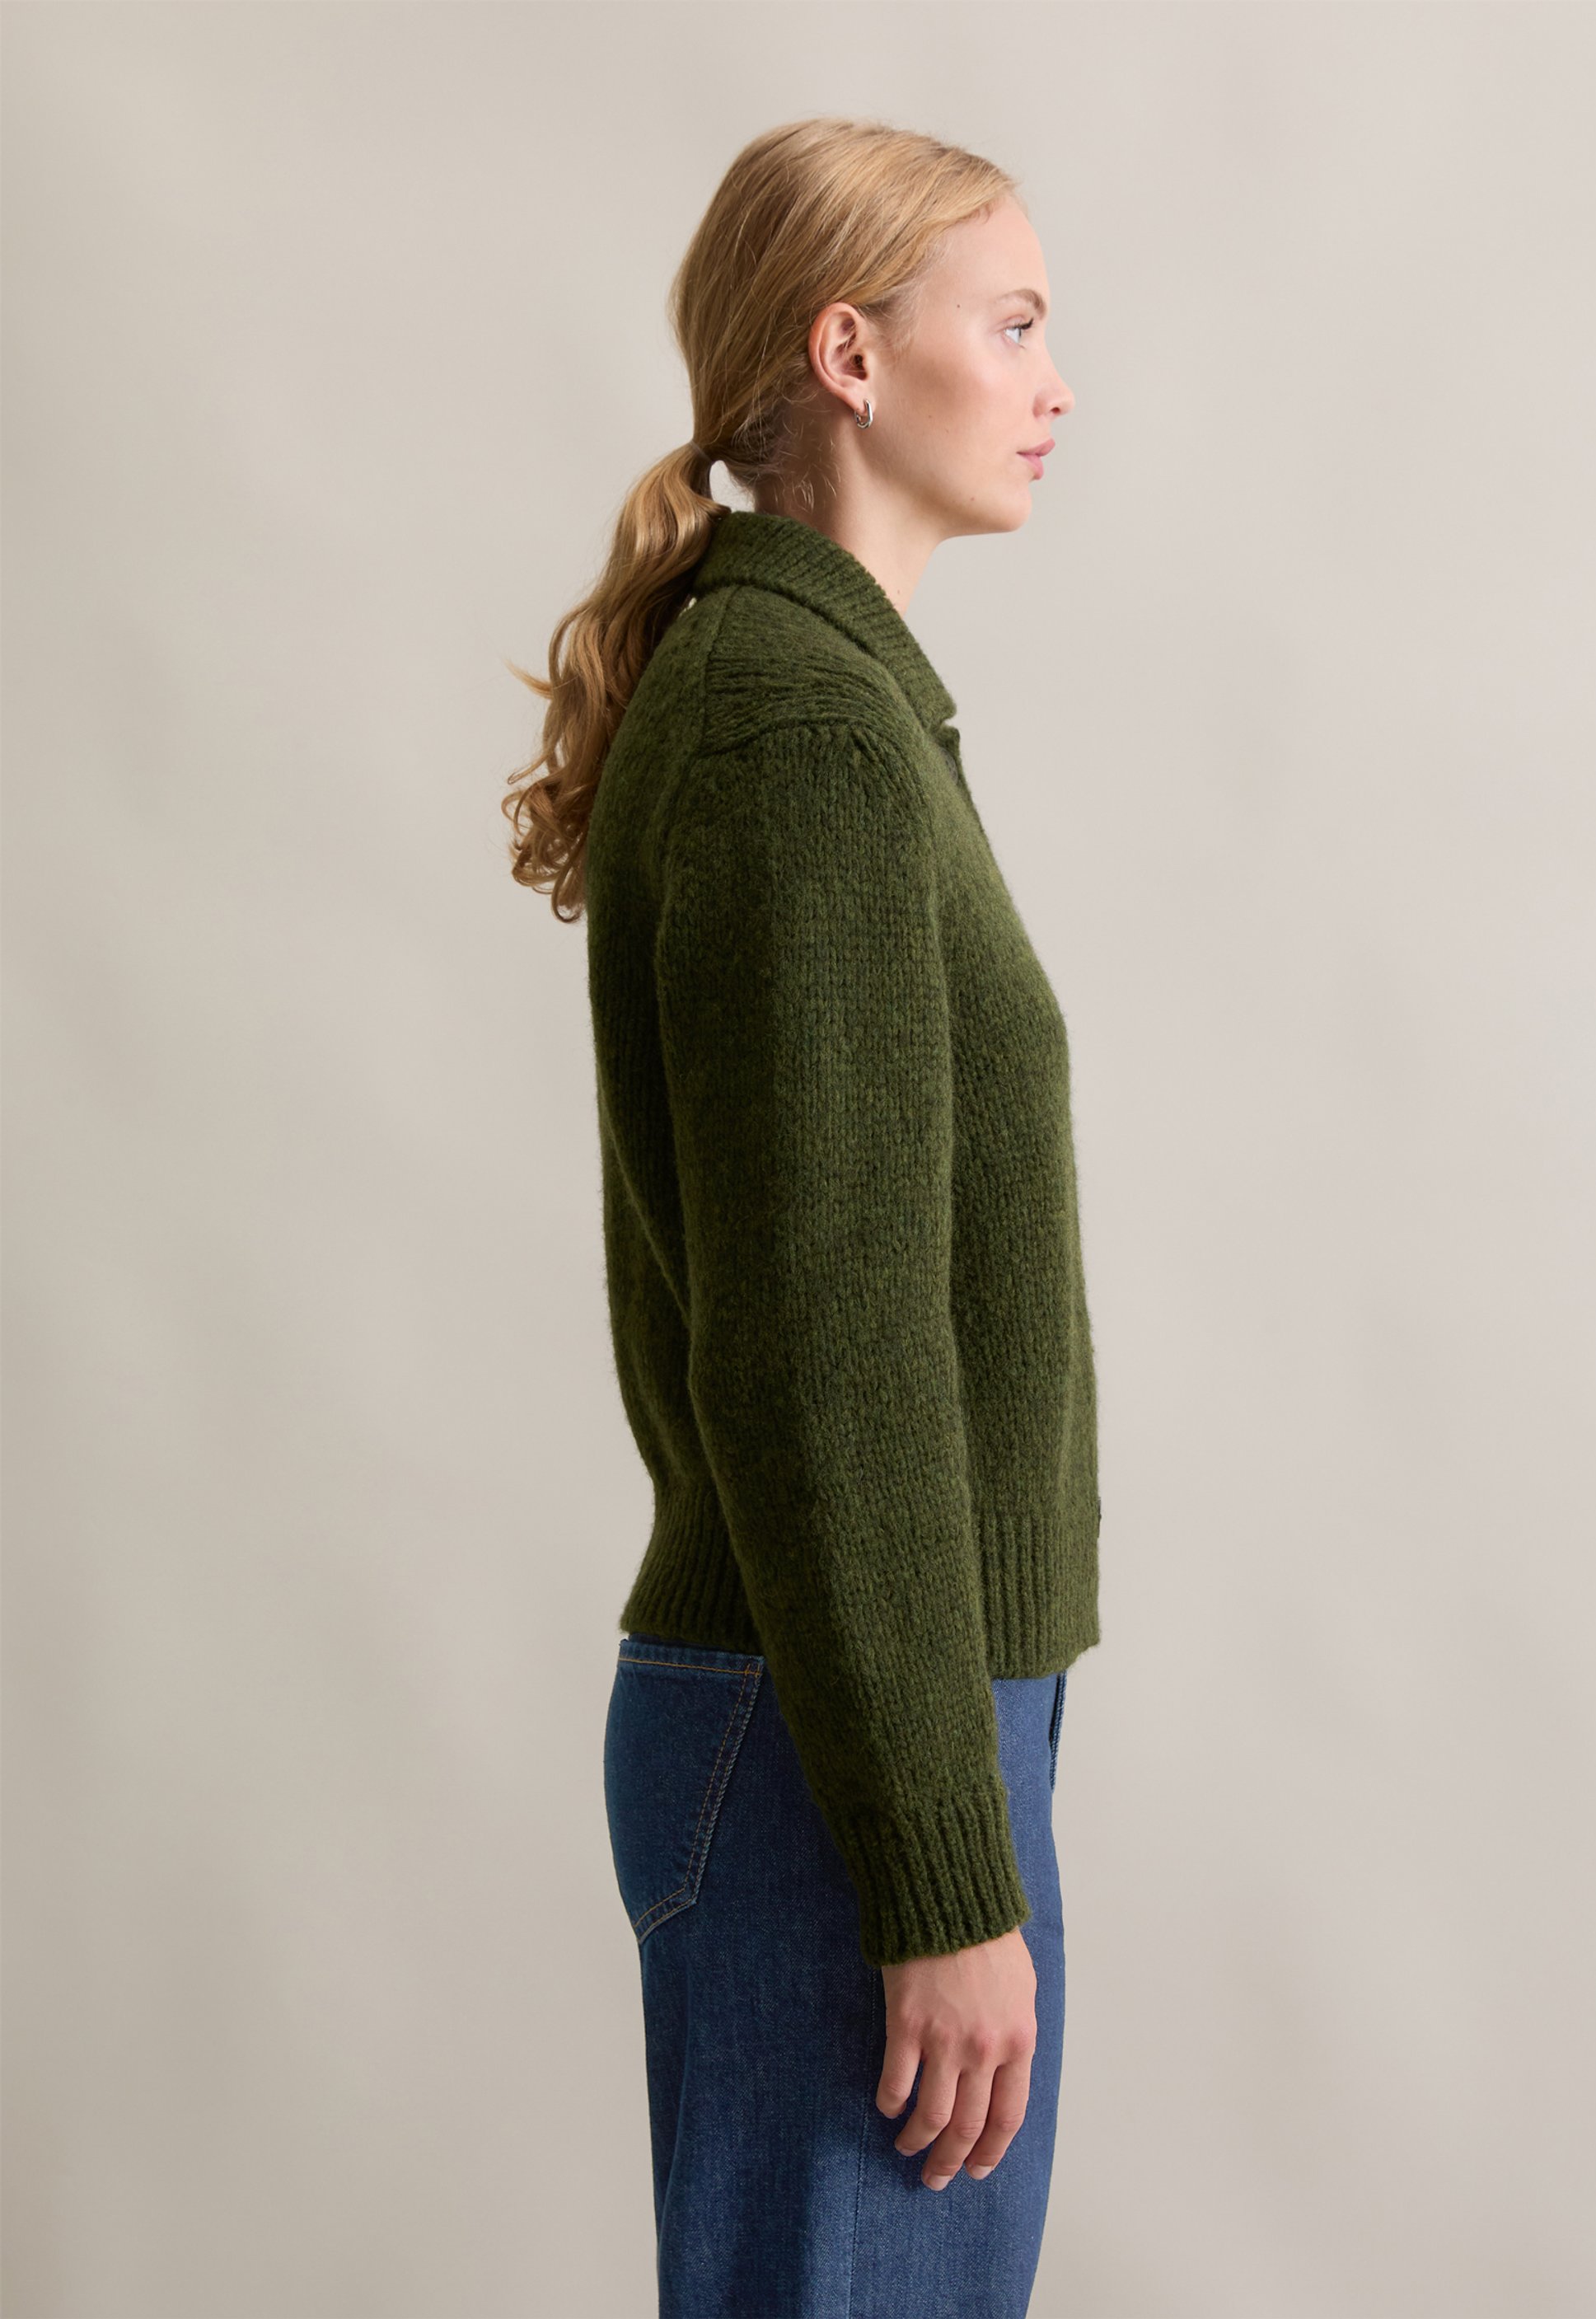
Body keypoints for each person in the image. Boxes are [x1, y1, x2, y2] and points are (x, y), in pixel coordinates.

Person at [503, 115, 1101, 2319]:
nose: (1053, 383)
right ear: (850, 355)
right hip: (840, 1749)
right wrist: (936, 1869)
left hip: (859, 1717)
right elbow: (823, 1346)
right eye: (1010, 325)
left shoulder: (822, 703)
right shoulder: (802, 736)